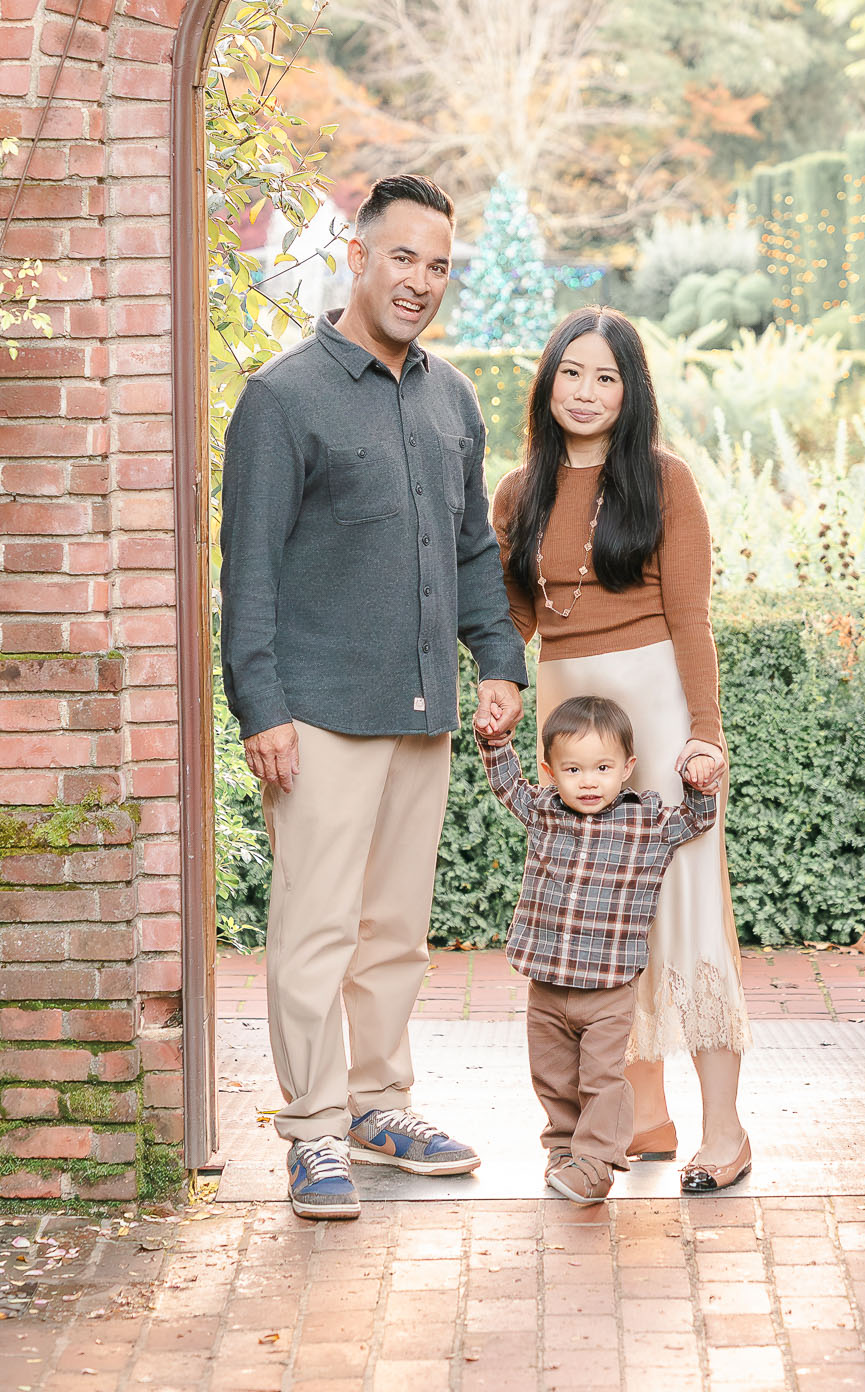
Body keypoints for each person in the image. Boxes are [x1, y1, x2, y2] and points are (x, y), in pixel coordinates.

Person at [220, 173, 529, 1222]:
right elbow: (248, 570)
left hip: (420, 711)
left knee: (395, 930)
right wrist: (259, 705)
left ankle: (378, 1104)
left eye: (439, 265)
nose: (421, 281)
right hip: (315, 714)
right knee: (316, 928)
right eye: (404, 257)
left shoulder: (450, 397)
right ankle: (310, 1132)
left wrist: (497, 657)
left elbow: (472, 544)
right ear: (357, 257)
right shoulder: (282, 397)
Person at [492, 307, 752, 1193]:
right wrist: (499, 686)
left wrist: (706, 733)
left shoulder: (666, 482)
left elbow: (692, 618)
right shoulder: (518, 492)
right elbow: (516, 622)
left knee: (684, 913)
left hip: (658, 707)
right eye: (572, 372)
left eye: (607, 376)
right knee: (600, 909)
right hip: (569, 711)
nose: (587, 392)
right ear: (547, 381)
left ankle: (726, 1132)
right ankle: (643, 1117)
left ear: (631, 389)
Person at [475, 692, 716, 1204]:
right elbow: (505, 785)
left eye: (603, 767)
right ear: (550, 771)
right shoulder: (544, 811)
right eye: (573, 769)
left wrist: (701, 784)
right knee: (554, 1077)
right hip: (546, 983)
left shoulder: (646, 821)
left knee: (603, 1080)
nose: (589, 781)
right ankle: (564, 1152)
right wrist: (494, 740)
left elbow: (696, 822)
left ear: (628, 767)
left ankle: (597, 1164)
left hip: (609, 988)